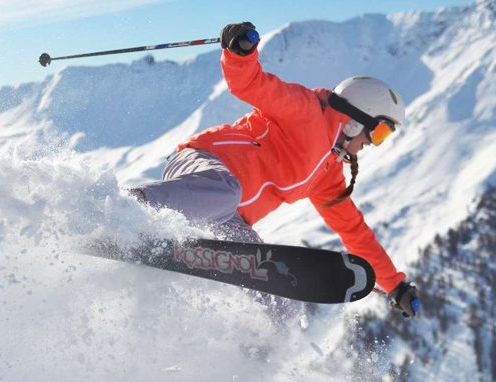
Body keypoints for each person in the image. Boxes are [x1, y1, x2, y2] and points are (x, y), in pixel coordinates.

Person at [130, 22, 420, 318]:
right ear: (356, 119)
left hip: (227, 218)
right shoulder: (305, 110)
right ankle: (124, 210)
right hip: (201, 166)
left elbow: (354, 232)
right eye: (380, 132)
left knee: (278, 300)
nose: (373, 144)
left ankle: (238, 359)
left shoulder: (328, 176)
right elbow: (251, 84)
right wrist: (240, 52)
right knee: (226, 191)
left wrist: (394, 286)